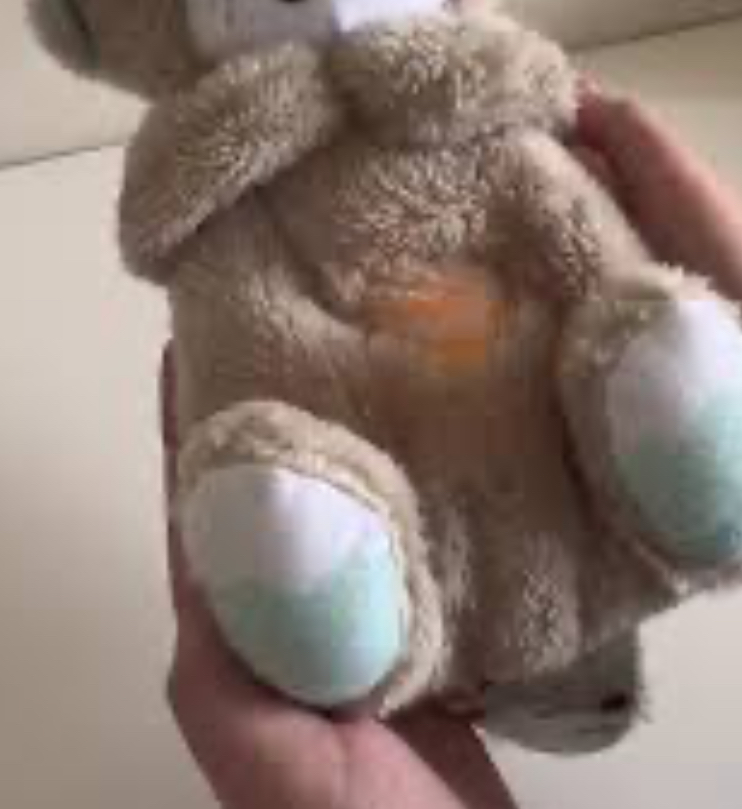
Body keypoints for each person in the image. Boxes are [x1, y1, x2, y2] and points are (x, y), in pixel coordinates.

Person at [161, 86, 742, 808]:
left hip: (421, 419)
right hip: (520, 430)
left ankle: (325, 572)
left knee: (276, 421)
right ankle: (682, 414)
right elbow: (569, 226)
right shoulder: (474, 109)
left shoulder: (228, 207)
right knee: (633, 331)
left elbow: (244, 335)